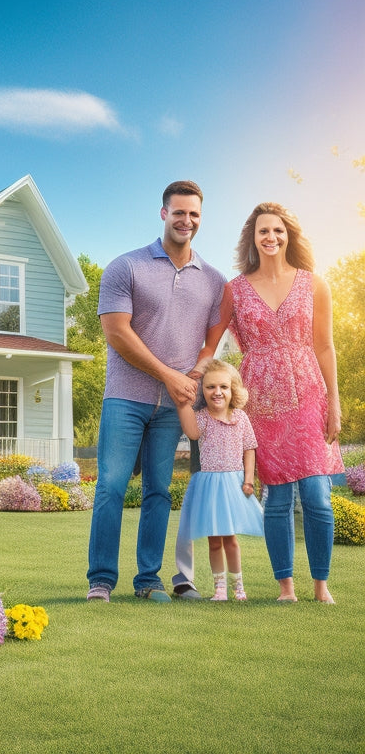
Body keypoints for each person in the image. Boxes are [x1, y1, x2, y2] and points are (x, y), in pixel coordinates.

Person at [195, 202, 343, 603]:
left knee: (316, 496)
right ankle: (285, 588)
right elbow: (211, 344)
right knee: (275, 498)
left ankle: (321, 586)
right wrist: (191, 378)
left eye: (278, 230)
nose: (271, 237)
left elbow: (325, 347)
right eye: (263, 231)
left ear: (288, 235)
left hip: (310, 394)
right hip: (261, 402)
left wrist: (334, 403)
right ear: (252, 238)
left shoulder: (314, 284)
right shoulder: (235, 289)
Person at [87, 180, 226, 602]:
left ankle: (148, 580)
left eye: (195, 214)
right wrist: (168, 373)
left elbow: (210, 344)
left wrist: (195, 374)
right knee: (111, 485)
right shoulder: (125, 267)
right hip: (126, 397)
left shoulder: (216, 281)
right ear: (164, 213)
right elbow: (117, 333)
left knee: (160, 490)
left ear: (201, 219)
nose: (187, 220)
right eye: (179, 212)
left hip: (175, 406)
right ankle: (101, 580)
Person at [175, 359, 263, 601]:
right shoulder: (202, 418)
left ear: (233, 389)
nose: (217, 392)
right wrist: (183, 405)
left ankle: (239, 587)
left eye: (223, 387)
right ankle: (220, 588)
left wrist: (248, 480)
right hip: (210, 486)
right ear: (203, 390)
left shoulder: (241, 418)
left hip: (233, 484)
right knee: (215, 541)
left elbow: (249, 449)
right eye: (211, 387)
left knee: (231, 540)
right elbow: (192, 432)